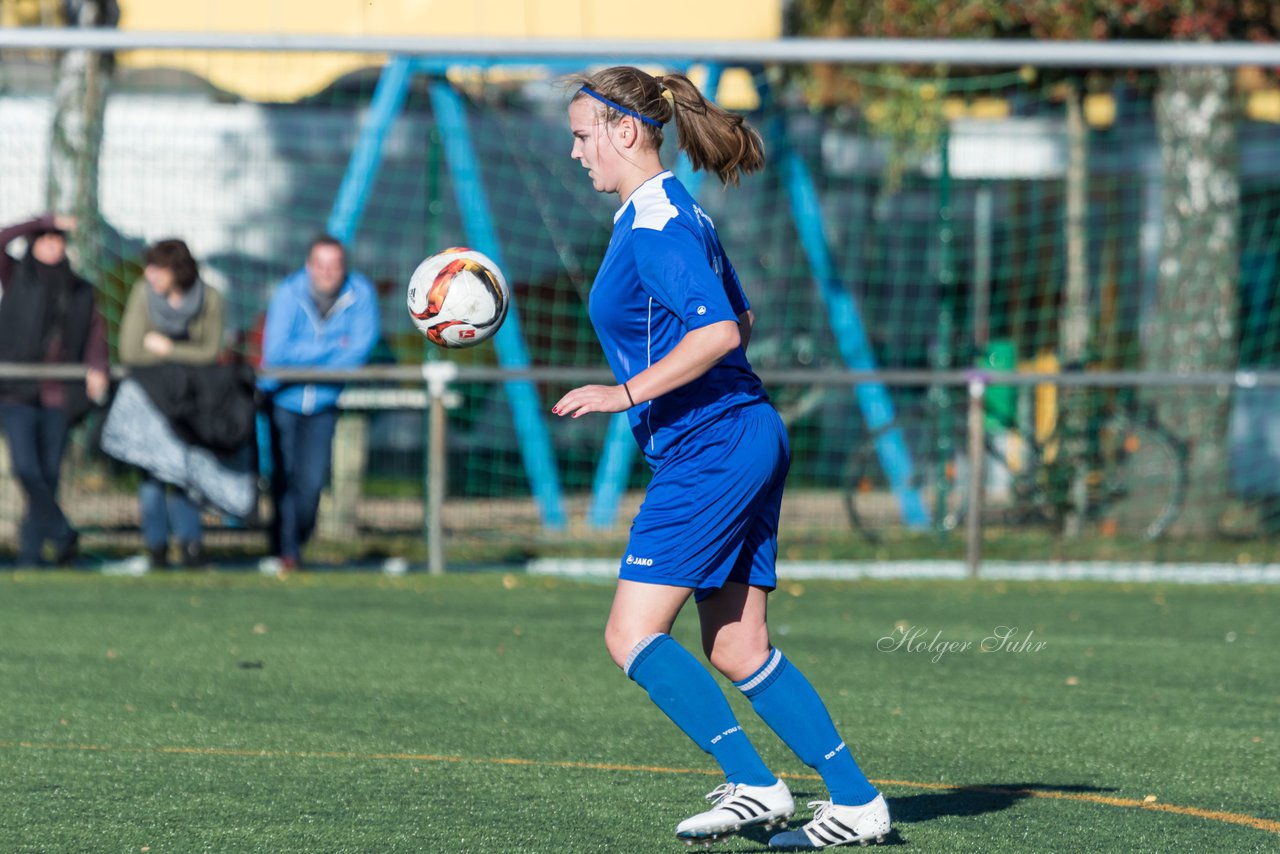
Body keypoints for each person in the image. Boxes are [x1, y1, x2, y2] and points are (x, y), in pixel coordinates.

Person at [552, 67, 892, 850]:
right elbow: (741, 310)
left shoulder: (656, 225)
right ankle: (854, 802)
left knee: (630, 634)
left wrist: (625, 393)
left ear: (624, 130)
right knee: (738, 645)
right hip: (736, 434)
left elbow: (721, 333)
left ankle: (757, 784)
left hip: (714, 446)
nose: (576, 154)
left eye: (580, 136)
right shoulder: (673, 212)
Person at [258, 235, 379, 574]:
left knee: (311, 483)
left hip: (325, 400)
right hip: (282, 397)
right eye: (321, 265)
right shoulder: (287, 293)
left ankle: (293, 541)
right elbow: (277, 354)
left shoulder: (361, 294)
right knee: (283, 476)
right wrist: (332, 347)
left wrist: (311, 356)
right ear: (309, 266)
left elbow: (357, 353)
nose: (328, 272)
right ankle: (286, 551)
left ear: (344, 268)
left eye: (335, 265)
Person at [0, 215, 109, 566]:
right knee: (26, 469)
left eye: (57, 239)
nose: (51, 244)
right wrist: (42, 220)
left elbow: (95, 334)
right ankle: (64, 533)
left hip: (60, 395)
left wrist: (98, 368)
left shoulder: (80, 289)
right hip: (17, 391)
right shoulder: (17, 276)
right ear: (33, 242)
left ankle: (31, 556)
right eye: (44, 238)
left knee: (48, 475)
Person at [118, 238, 224, 568]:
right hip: (150, 397)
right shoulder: (142, 294)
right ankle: (156, 548)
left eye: (157, 268)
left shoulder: (210, 298)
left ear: (177, 270)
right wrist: (180, 355)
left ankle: (192, 546)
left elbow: (210, 353)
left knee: (187, 473)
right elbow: (130, 351)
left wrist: (166, 349)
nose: (149, 274)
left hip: (192, 400)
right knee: (152, 474)